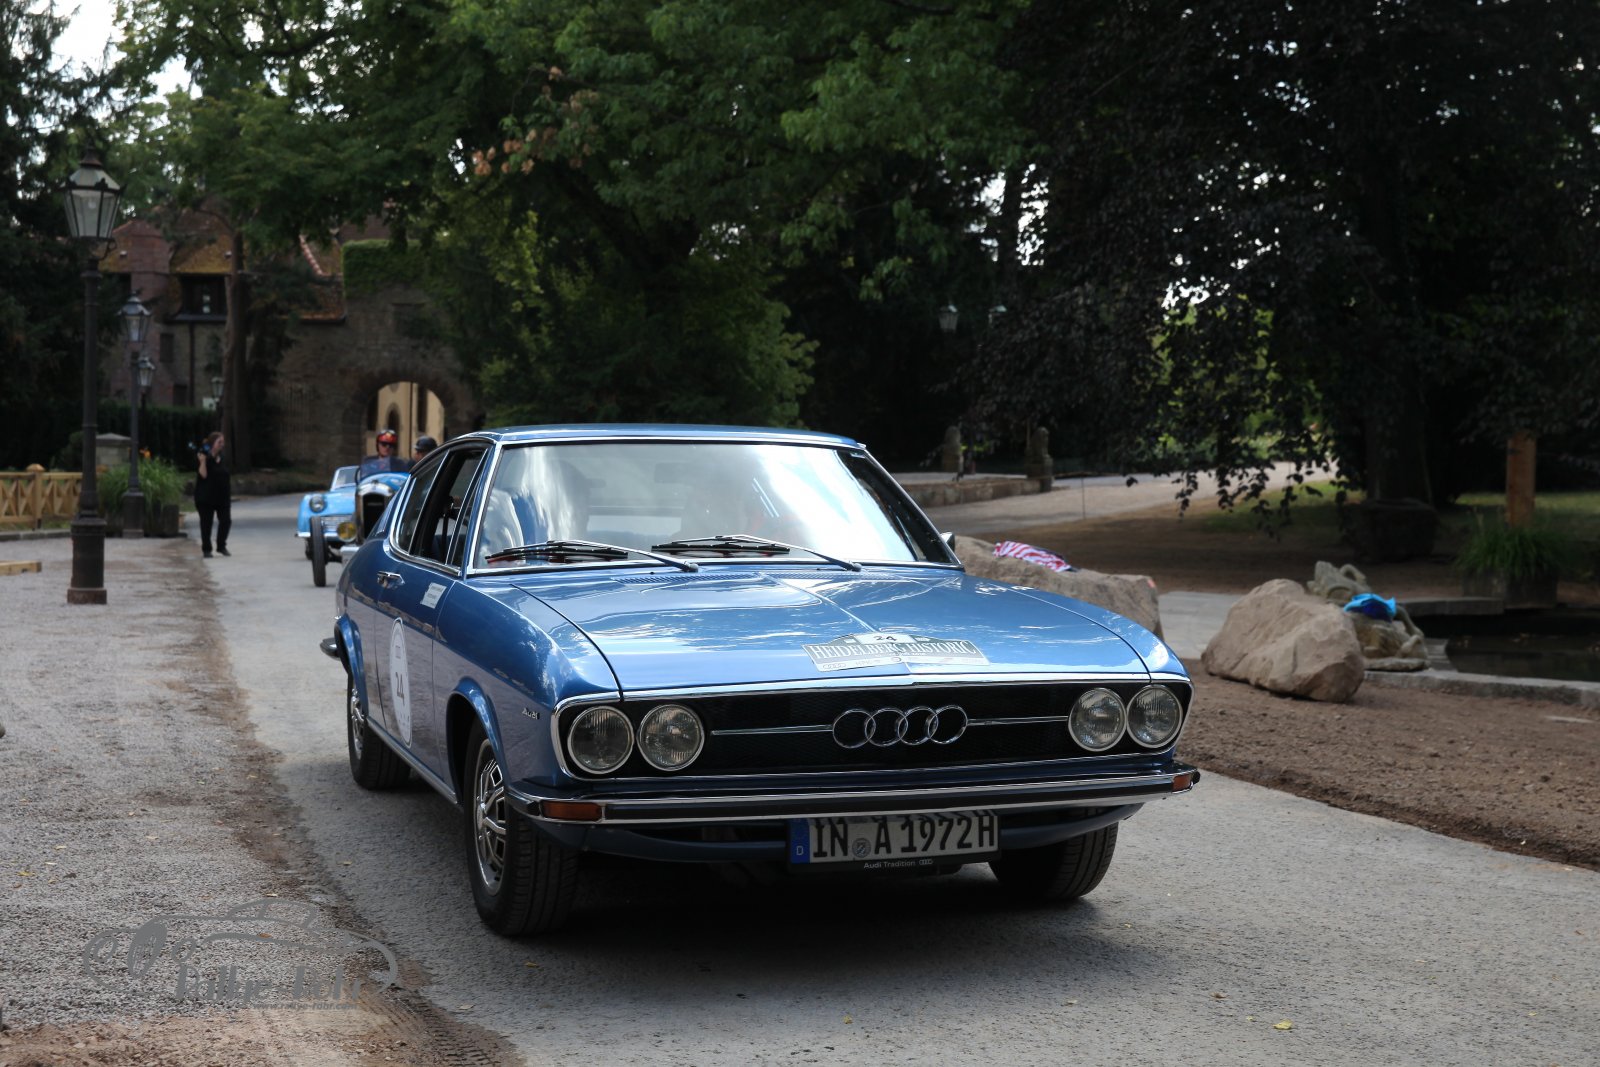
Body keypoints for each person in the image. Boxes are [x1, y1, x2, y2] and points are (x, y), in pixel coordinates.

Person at [194, 431, 231, 558]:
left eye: (223, 442)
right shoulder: (203, 456)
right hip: (206, 497)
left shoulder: (222, 458)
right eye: (219, 442)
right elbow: (203, 475)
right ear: (212, 443)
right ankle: (206, 549)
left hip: (222, 497)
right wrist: (203, 461)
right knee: (206, 524)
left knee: (226, 521)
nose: (222, 444)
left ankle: (221, 546)